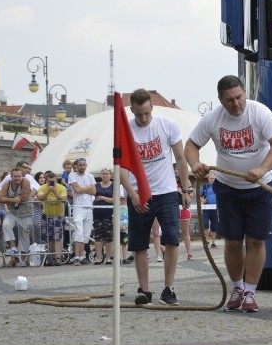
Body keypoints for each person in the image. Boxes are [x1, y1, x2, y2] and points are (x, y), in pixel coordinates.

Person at [186, 75, 272, 313]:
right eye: (230, 100)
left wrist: (262, 168)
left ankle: (251, 292)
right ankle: (237, 287)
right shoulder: (212, 118)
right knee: (232, 241)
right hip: (228, 188)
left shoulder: (260, 112)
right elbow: (191, 145)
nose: (236, 104)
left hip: (260, 188)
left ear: (245, 94)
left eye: (239, 97)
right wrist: (195, 164)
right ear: (220, 100)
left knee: (255, 240)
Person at [120, 88, 192, 306]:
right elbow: (120, 167)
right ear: (131, 110)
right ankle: (144, 290)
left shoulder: (167, 125)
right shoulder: (125, 132)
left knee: (171, 239)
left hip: (167, 191)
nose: (142, 118)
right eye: (138, 114)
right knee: (139, 244)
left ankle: (169, 289)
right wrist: (132, 195)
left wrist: (186, 188)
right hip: (139, 193)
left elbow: (180, 158)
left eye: (146, 113)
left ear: (152, 107)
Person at [0, 167, 33, 266]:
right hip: (13, 213)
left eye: (19, 176)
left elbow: (25, 197)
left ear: (22, 176)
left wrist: (8, 199)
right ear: (11, 176)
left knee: (24, 236)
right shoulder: (7, 183)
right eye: (15, 176)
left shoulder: (25, 181)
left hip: (26, 213)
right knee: (6, 225)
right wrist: (13, 200)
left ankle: (23, 260)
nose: (17, 178)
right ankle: (12, 247)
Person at [68, 158, 96, 265]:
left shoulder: (90, 176)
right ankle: (76, 257)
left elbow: (94, 191)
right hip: (78, 207)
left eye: (84, 165)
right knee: (78, 232)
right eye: (80, 165)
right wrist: (87, 188)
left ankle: (81, 256)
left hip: (88, 206)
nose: (82, 167)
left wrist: (83, 189)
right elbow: (77, 190)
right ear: (76, 166)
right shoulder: (72, 176)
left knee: (86, 233)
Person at [36, 171, 67, 266]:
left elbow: (63, 199)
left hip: (58, 216)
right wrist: (48, 191)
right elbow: (40, 198)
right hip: (47, 215)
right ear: (46, 181)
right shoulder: (42, 187)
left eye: (53, 181)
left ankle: (58, 257)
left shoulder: (61, 188)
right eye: (49, 182)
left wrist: (55, 192)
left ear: (56, 180)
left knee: (58, 237)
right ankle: (51, 257)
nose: (51, 184)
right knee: (49, 238)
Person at [92, 168, 115, 264]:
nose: (105, 175)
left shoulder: (113, 186)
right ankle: (99, 257)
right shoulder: (96, 185)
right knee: (98, 236)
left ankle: (109, 257)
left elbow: (114, 199)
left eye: (107, 174)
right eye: (103, 174)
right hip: (97, 213)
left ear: (110, 175)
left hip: (108, 213)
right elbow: (92, 195)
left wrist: (101, 197)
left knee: (108, 236)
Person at [199, 172, 219, 248]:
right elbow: (199, 196)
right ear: (208, 179)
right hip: (206, 209)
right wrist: (202, 200)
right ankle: (207, 240)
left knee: (214, 226)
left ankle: (213, 242)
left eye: (213, 179)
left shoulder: (218, 187)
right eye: (210, 178)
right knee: (206, 225)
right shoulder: (204, 187)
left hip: (215, 209)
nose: (212, 180)